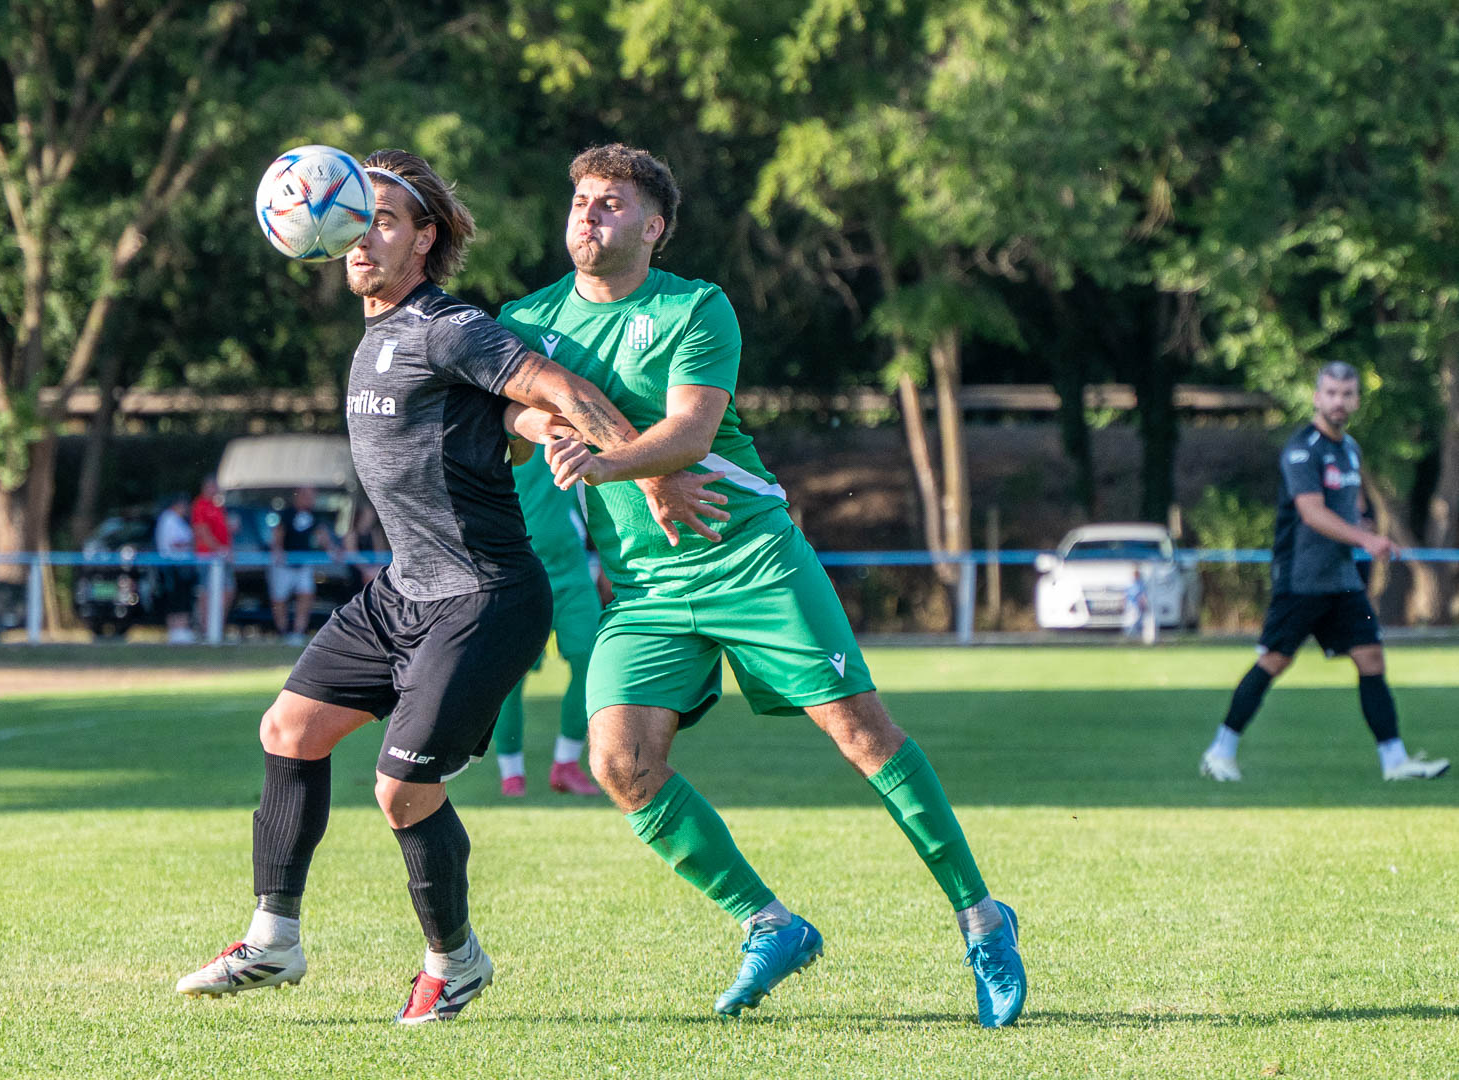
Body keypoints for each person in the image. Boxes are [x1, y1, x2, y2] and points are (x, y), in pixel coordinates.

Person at [175, 148, 718, 1024]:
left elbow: (551, 387)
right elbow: (502, 414)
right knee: (288, 730)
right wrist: (527, 425)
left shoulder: (446, 324)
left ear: (423, 239)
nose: (361, 237)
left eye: (383, 220)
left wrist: (645, 469)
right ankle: (273, 939)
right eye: (355, 221)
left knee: (402, 792)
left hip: (484, 597)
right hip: (403, 592)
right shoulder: (380, 331)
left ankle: (454, 961)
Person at [496, 144, 1027, 1025]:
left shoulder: (694, 306)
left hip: (751, 556)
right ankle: (769, 923)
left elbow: (691, 432)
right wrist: (536, 421)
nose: (588, 214)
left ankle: (982, 920)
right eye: (581, 199)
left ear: (654, 228)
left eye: (611, 203)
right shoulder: (525, 317)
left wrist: (609, 462)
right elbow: (505, 415)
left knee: (861, 734)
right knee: (620, 762)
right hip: (646, 589)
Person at [1199, 362, 1449, 783]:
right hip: (1302, 579)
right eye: (1331, 393)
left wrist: (1370, 532)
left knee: (1371, 657)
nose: (1338, 401)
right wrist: (1365, 539)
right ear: (1317, 397)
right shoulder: (1303, 449)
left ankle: (1395, 762)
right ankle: (1219, 751)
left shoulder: (1350, 449)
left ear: (1356, 400)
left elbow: (1348, 511)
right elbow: (1312, 513)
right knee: (1275, 660)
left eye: (1347, 394)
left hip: (1342, 581)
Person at [492, 457, 604, 797]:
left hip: (573, 572)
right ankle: (511, 774)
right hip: (519, 573)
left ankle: (567, 763)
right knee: (509, 678)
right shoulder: (497, 434)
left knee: (592, 662)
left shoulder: (573, 431)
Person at [269, 486, 341, 645]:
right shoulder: (287, 513)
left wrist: (332, 550)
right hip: (284, 565)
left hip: (303, 564)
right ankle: (283, 631)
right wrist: (278, 550)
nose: (311, 500)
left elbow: (322, 536)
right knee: (279, 599)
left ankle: (298, 632)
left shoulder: (314, 516)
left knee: (306, 594)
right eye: (308, 496)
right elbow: (278, 532)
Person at [191, 474, 235, 634]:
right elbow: (202, 531)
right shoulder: (200, 505)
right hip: (208, 557)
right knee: (207, 592)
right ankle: (206, 628)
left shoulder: (218, 506)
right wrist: (219, 549)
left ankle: (216, 626)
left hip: (221, 558)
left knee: (227, 590)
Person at [154, 493, 198, 644]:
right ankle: (176, 630)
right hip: (173, 566)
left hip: (181, 565)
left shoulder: (177, 520)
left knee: (182, 597)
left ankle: (182, 629)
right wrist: (193, 543)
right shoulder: (169, 519)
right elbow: (175, 543)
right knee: (177, 598)